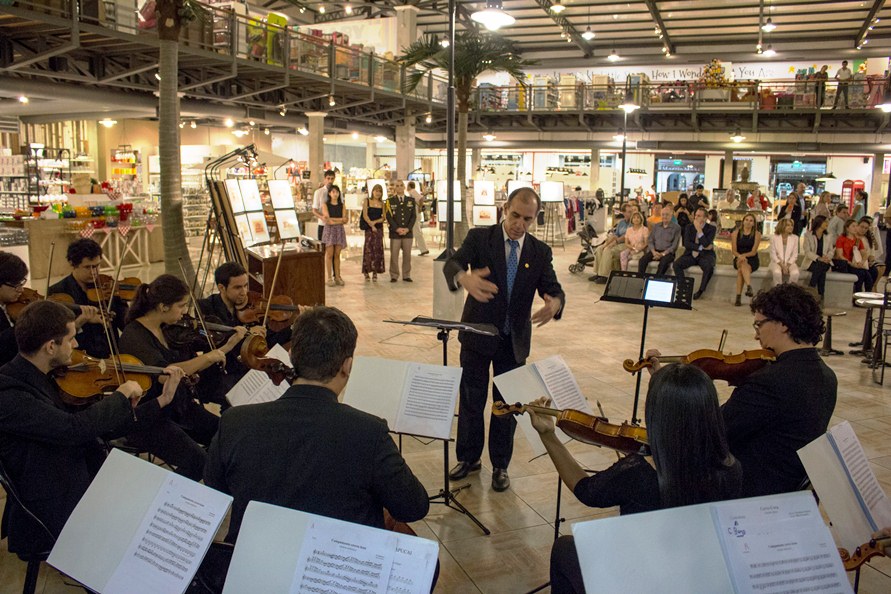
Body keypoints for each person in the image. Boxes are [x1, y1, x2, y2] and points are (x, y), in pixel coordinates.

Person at [204, 306, 430, 542]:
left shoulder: (234, 422)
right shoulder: (369, 432)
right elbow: (413, 507)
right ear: (347, 365)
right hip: (332, 567)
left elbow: (216, 491)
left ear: (292, 357)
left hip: (253, 562)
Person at [532, 364, 742, 594]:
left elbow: (586, 491)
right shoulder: (731, 467)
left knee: (564, 548)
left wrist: (548, 435)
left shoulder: (639, 472)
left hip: (641, 578)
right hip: (695, 575)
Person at [0, 300, 183, 556]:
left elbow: (98, 428)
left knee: (159, 500)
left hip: (80, 474)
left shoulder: (48, 374)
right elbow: (72, 429)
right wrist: (119, 396)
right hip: (54, 504)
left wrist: (161, 401)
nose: (76, 346)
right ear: (51, 346)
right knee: (150, 526)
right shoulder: (9, 393)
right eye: (71, 338)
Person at [649, 283, 836, 498]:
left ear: (783, 324)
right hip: (790, 485)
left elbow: (710, 432)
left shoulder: (769, 382)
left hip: (750, 490)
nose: (757, 336)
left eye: (759, 325)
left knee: (648, 477)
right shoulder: (827, 376)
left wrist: (663, 387)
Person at [443, 187, 565, 492]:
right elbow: (451, 264)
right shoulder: (480, 238)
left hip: (513, 342)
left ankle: (500, 465)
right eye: (514, 215)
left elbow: (554, 288)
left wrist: (555, 303)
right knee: (472, 401)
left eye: (527, 218)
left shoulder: (539, 252)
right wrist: (464, 278)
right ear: (504, 208)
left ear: (535, 218)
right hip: (477, 336)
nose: (519, 224)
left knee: (506, 406)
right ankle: (468, 459)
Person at [119, 275, 236, 450]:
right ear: (163, 307)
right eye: (181, 306)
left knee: (229, 436)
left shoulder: (166, 327)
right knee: (197, 460)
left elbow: (191, 365)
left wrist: (227, 346)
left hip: (182, 406)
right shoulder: (134, 336)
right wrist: (207, 357)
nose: (184, 312)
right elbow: (165, 374)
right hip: (155, 415)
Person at [0, 251, 103, 367]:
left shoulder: (11, 304)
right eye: (15, 285)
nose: (21, 290)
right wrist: (30, 322)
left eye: (22, 283)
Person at [47, 238, 129, 359]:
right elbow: (55, 339)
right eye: (88, 267)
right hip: (79, 360)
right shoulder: (57, 293)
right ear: (72, 264)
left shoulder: (108, 288)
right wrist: (80, 321)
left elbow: (126, 325)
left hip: (112, 358)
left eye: (97, 266)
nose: (94, 272)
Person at [673, 207, 716, 300]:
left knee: (709, 267)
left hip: (705, 256)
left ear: (705, 218)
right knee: (676, 264)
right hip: (691, 254)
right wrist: (701, 247)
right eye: (695, 215)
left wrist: (699, 231)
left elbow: (706, 243)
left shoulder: (711, 229)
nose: (696, 217)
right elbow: (687, 244)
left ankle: (701, 290)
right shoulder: (689, 227)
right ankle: (683, 288)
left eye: (699, 216)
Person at [589, 202, 633, 283]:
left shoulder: (632, 223)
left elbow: (626, 236)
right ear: (624, 213)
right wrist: (606, 244)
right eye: (629, 212)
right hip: (617, 241)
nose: (631, 213)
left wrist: (615, 242)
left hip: (626, 243)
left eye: (631, 211)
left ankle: (604, 276)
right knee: (600, 249)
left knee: (608, 251)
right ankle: (598, 273)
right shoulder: (621, 222)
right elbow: (615, 234)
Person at [385, 180, 416, 282]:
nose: (399, 187)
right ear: (394, 188)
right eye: (397, 186)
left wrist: (407, 229)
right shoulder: (390, 201)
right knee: (394, 255)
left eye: (401, 185)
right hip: (395, 233)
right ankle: (394, 275)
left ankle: (406, 275)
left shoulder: (411, 200)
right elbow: (389, 217)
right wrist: (397, 229)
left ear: (404, 187)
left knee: (407, 255)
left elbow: (413, 216)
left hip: (408, 233)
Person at [638, 205, 681, 276]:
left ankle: (656, 281)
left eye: (667, 214)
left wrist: (662, 254)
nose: (665, 216)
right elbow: (650, 240)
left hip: (668, 253)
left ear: (671, 215)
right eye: (663, 214)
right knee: (642, 261)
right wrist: (653, 252)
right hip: (655, 251)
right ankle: (641, 280)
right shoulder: (656, 226)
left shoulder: (676, 228)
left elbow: (674, 246)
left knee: (663, 263)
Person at [832, 218, 872, 293]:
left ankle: (866, 294)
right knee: (861, 273)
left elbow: (864, 254)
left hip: (855, 263)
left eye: (856, 226)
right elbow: (840, 255)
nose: (856, 228)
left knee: (868, 276)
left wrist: (862, 262)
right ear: (847, 228)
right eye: (853, 226)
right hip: (845, 263)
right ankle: (857, 294)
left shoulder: (857, 240)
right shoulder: (841, 239)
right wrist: (852, 264)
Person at [731, 213, 762, 306]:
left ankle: (738, 297)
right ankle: (748, 286)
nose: (748, 222)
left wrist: (743, 256)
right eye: (747, 220)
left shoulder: (757, 234)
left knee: (741, 270)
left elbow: (753, 251)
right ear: (743, 222)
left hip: (752, 259)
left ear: (754, 223)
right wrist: (740, 256)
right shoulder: (736, 233)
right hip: (738, 257)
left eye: (751, 221)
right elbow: (734, 251)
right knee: (742, 263)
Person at [802, 215, 834, 301]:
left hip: (826, 261)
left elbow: (831, 251)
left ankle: (811, 288)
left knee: (821, 266)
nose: (827, 223)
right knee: (821, 269)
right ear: (819, 222)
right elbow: (807, 252)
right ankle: (821, 295)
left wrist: (827, 257)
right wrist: (819, 258)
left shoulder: (828, 236)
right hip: (812, 261)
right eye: (825, 221)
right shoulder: (808, 235)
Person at [322, 184, 347, 287]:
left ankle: (338, 276)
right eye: (333, 192)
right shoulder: (325, 205)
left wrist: (334, 220)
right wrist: (339, 220)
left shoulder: (342, 205)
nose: (335, 194)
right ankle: (329, 277)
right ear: (329, 193)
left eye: (337, 192)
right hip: (329, 231)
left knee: (337, 255)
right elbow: (327, 219)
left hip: (339, 231)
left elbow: (345, 219)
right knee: (329, 254)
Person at [361, 183, 386, 281]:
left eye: (380, 191)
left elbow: (383, 217)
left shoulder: (382, 204)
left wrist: (375, 223)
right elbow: (365, 215)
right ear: (372, 191)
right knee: (368, 249)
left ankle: (375, 272)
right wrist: (371, 225)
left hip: (378, 228)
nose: (378, 193)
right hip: (369, 228)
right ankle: (366, 271)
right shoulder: (367, 201)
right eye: (376, 190)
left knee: (377, 249)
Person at [769, 218, 800, 286]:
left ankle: (791, 292)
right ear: (782, 226)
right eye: (788, 225)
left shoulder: (795, 238)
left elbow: (795, 255)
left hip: (790, 262)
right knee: (777, 273)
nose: (791, 227)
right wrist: (783, 266)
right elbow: (773, 254)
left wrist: (787, 265)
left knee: (795, 273)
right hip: (777, 262)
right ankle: (778, 291)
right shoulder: (774, 238)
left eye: (792, 225)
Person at [857, 215, 883, 290]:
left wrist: (871, 261)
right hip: (857, 261)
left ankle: (869, 291)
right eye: (862, 227)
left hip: (866, 262)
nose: (863, 230)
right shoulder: (854, 237)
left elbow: (871, 253)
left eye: (866, 228)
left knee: (874, 271)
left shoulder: (867, 239)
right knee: (864, 274)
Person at [311, 169, 335, 243]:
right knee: (323, 248)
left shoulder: (337, 192)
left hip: (335, 225)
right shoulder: (318, 192)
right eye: (328, 178)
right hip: (323, 224)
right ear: (324, 179)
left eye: (332, 178)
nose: (330, 181)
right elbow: (314, 210)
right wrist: (322, 217)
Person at [407, 180, 429, 256]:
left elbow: (421, 199)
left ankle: (424, 249)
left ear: (409, 186)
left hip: (415, 214)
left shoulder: (412, 192)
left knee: (417, 232)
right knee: (415, 231)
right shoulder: (413, 192)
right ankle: (422, 249)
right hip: (413, 214)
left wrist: (419, 208)